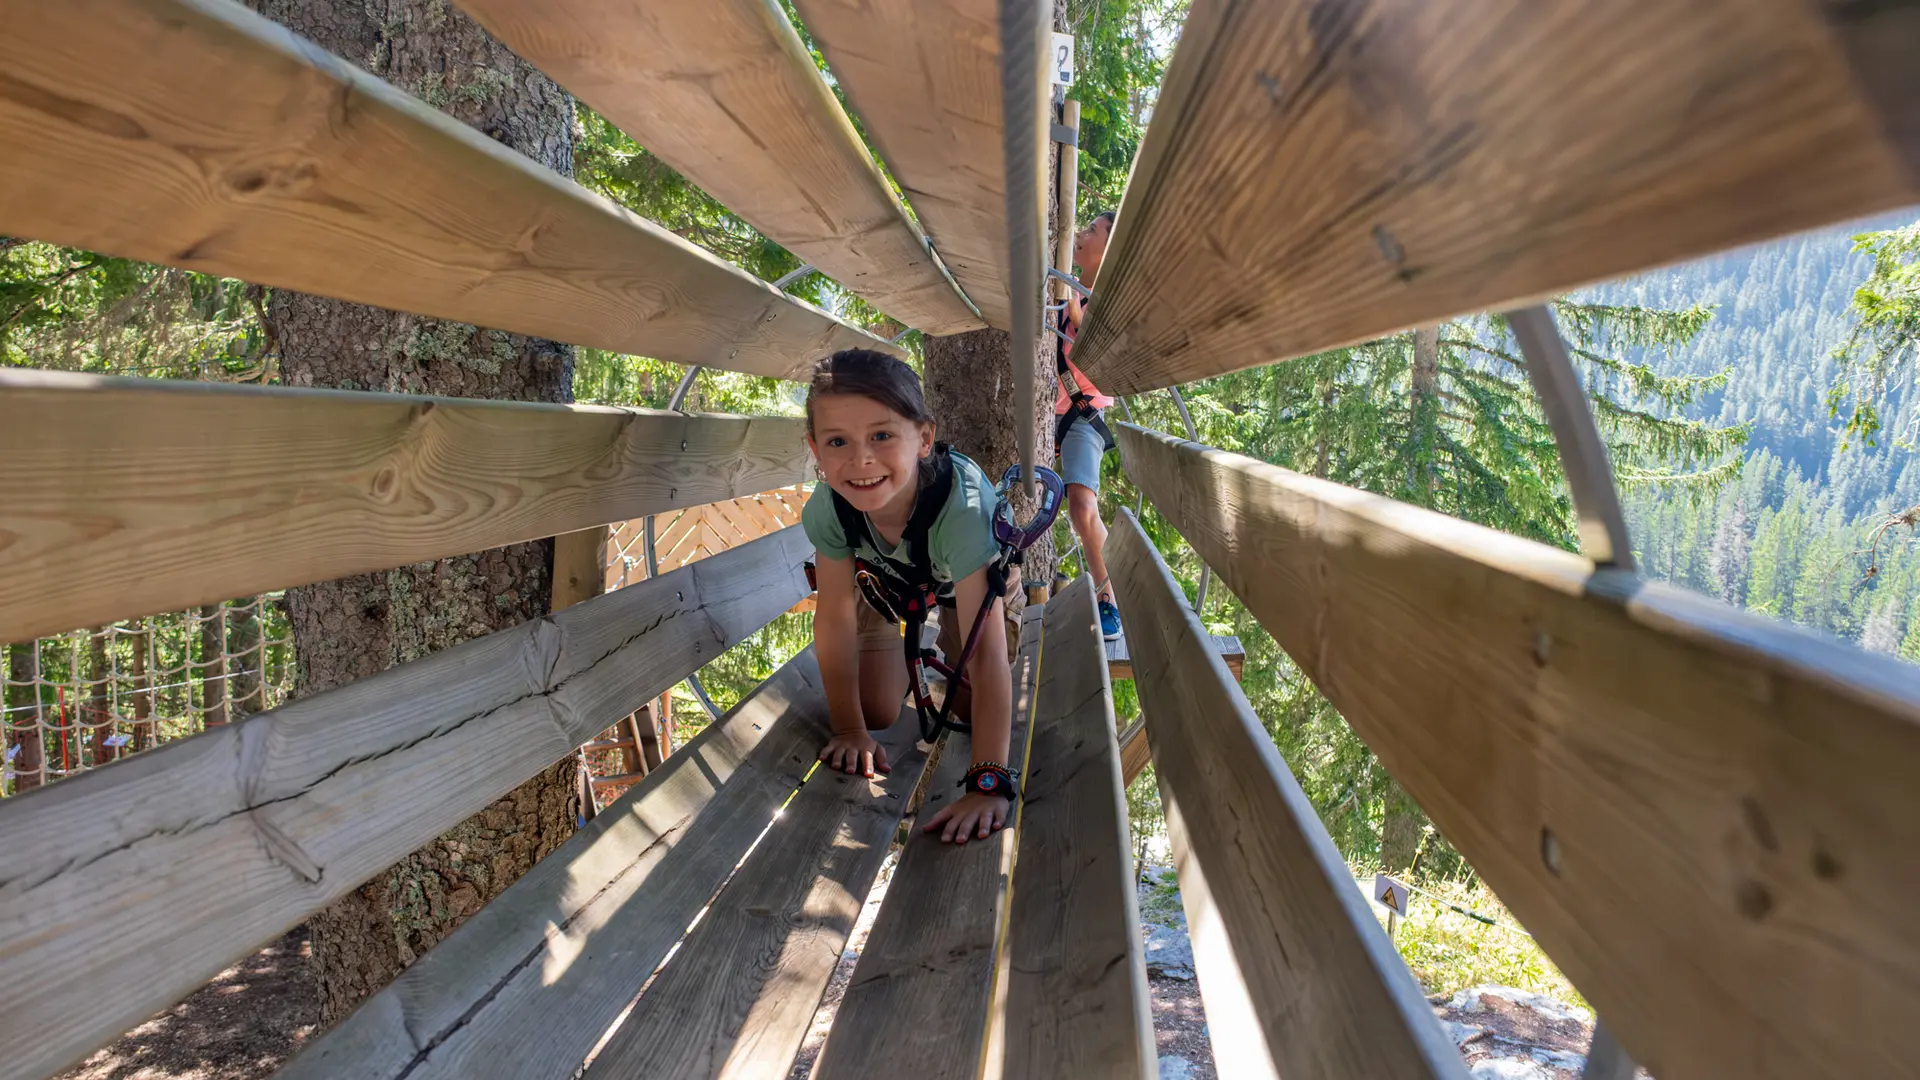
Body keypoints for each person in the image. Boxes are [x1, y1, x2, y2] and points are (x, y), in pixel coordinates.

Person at [801, 348, 1018, 845]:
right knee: (874, 711)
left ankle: (935, 654)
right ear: (815, 448)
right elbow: (834, 619)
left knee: (971, 703)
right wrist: (850, 729)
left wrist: (989, 782)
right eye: (838, 441)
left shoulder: (963, 510)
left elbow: (987, 657)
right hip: (881, 589)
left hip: (966, 586)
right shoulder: (830, 510)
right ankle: (915, 655)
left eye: (881, 435)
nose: (861, 459)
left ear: (924, 437)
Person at [1057, 209, 1122, 639]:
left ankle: (1107, 597)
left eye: (1092, 231)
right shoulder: (1062, 294)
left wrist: (1080, 315)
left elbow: (1103, 354)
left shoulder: (1115, 303)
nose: (1080, 234)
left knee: (1081, 504)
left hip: (1082, 413)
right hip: (1046, 413)